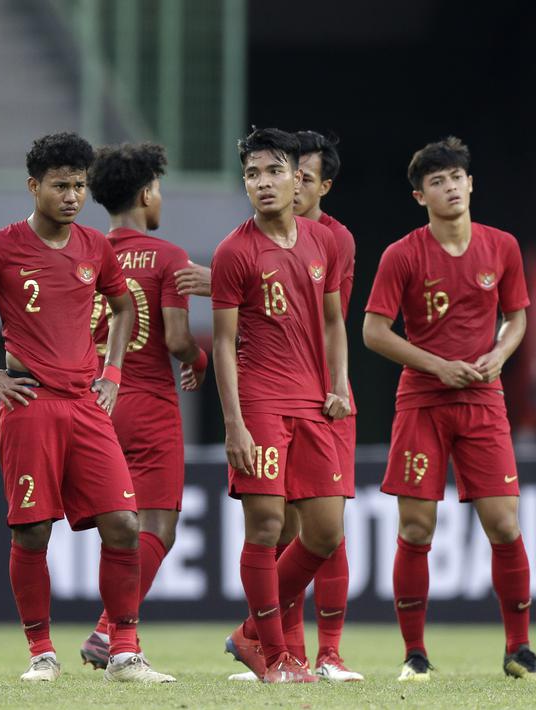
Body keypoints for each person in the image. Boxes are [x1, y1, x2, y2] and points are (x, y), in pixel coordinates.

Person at [0, 132, 173, 683]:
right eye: (60, 186)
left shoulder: (95, 246)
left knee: (124, 524)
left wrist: (112, 373)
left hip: (86, 404)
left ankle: (124, 652)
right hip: (30, 403)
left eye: (79, 185)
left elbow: (123, 307)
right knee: (33, 533)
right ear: (34, 186)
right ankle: (41, 653)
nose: (72, 196)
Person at [363, 136, 536, 681]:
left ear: (471, 184)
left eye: (456, 178)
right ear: (419, 196)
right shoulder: (402, 254)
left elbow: (517, 317)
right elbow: (374, 332)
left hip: (483, 400)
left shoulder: (502, 247)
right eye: (437, 181)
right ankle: (415, 655)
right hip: (423, 402)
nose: (450, 188)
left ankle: (519, 650)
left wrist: (500, 353)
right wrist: (437, 366)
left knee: (504, 524)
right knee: (417, 529)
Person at [212, 130, 361, 682]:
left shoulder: (323, 241)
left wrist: (339, 384)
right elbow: (223, 342)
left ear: (297, 178)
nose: (263, 183)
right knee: (268, 524)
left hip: (315, 403)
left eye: (273, 171)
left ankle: (249, 633)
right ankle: (275, 655)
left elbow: (333, 321)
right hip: (261, 404)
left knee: (324, 533)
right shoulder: (233, 251)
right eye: (252, 174)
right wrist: (235, 424)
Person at [76, 142, 208, 669]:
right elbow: (176, 338)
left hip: (94, 403)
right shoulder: (168, 256)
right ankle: (109, 631)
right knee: (157, 527)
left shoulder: (84, 251)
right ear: (148, 192)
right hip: (149, 403)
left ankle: (101, 633)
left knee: (116, 528)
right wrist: (199, 359)